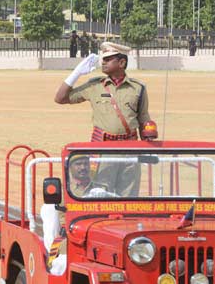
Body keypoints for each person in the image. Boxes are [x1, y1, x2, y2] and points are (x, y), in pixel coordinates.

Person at [55, 41, 152, 196]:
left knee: (128, 194)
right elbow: (60, 98)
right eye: (103, 59)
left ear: (122, 62)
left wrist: (147, 147)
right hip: (103, 148)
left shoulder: (137, 88)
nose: (103, 62)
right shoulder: (95, 86)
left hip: (130, 148)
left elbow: (143, 118)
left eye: (108, 59)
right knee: (100, 192)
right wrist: (76, 73)